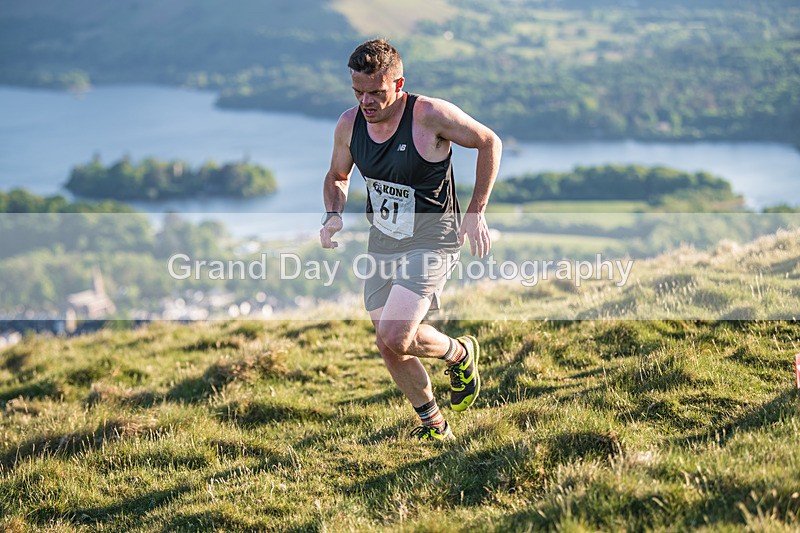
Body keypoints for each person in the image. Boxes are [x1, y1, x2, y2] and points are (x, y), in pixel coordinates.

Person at [320, 39, 502, 442]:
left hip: (433, 238)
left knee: (395, 334)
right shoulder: (350, 124)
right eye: (358, 92)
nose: (365, 102)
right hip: (384, 242)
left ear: (398, 84)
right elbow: (337, 176)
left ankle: (459, 353)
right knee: (389, 345)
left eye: (375, 92)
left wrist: (476, 210)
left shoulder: (428, 115)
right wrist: (333, 214)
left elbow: (489, 142)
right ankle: (435, 427)